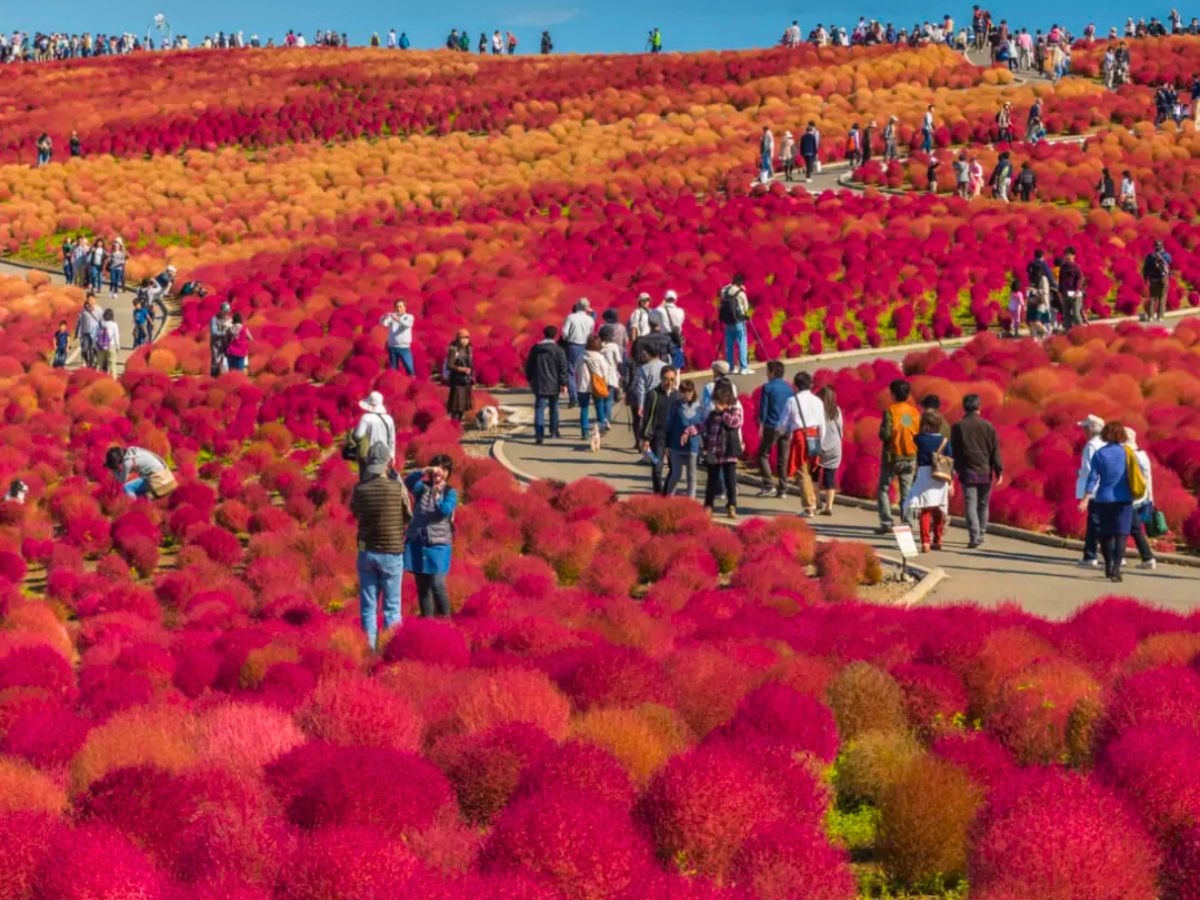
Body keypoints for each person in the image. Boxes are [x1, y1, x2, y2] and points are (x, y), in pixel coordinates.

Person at [350, 442, 413, 650]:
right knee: (392, 607)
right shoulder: (396, 488)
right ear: (389, 463)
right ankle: (390, 648)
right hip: (391, 552)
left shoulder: (360, 489)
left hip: (367, 552)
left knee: (368, 607)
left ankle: (370, 649)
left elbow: (355, 512)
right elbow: (408, 515)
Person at [1081, 420, 1136, 582]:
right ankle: (1116, 570)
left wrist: (1086, 496)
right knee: (1121, 535)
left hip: (1104, 498)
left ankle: (1108, 565)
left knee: (1106, 534)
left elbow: (1092, 477)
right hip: (1124, 498)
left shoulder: (1099, 454)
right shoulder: (1127, 453)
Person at [405, 454, 458, 617]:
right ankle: (428, 622)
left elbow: (444, 511)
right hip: (418, 544)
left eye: (443, 469)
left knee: (437, 584)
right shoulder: (422, 487)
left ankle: (445, 618)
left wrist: (436, 497)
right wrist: (424, 470)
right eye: (436, 468)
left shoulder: (450, 492)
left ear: (448, 472)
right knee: (423, 588)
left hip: (439, 545)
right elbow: (408, 482)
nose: (439, 472)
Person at [950, 393, 1002, 548]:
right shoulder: (988, 426)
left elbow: (955, 451)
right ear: (979, 407)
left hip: (967, 471)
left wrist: (955, 469)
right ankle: (982, 533)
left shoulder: (958, 426)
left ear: (964, 407)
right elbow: (995, 451)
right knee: (983, 504)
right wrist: (998, 471)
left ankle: (974, 536)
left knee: (971, 504)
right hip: (985, 471)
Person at [689, 380, 743, 519]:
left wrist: (724, 412)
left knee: (730, 481)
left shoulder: (733, 411)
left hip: (729, 453)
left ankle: (732, 505)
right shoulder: (713, 414)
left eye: (719, 402)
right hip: (714, 452)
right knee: (711, 481)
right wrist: (692, 430)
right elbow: (704, 426)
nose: (716, 405)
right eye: (715, 402)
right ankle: (708, 505)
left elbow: (734, 423)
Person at [903, 410, 953, 552]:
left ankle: (925, 541)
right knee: (938, 508)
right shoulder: (944, 440)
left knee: (924, 508)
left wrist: (907, 419)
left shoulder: (919, 439)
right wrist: (951, 482)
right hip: (940, 476)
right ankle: (938, 539)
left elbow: (909, 431)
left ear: (924, 424)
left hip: (924, 475)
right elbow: (950, 460)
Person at [876, 378, 920, 533]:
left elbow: (886, 434)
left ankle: (887, 522)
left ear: (893, 394)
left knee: (883, 489)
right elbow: (912, 429)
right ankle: (907, 523)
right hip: (910, 455)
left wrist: (881, 432)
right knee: (907, 490)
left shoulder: (891, 411)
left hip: (892, 456)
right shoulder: (914, 412)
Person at [781, 370, 826, 517]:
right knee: (811, 471)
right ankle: (814, 502)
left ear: (796, 386)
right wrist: (821, 441)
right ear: (810, 384)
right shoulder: (817, 401)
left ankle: (809, 507)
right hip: (815, 436)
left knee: (802, 471)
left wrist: (783, 433)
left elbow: (783, 423)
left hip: (800, 437)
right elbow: (822, 424)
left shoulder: (792, 401)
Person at [755, 361, 793, 498]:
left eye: (767, 371)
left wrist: (761, 424)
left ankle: (768, 484)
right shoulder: (789, 389)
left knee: (763, 454)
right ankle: (783, 489)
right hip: (786, 427)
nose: (766, 374)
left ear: (772, 373)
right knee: (783, 459)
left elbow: (763, 409)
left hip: (772, 425)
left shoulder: (768, 387)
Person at [525, 325, 568, 444]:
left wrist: (530, 379)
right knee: (554, 408)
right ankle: (554, 431)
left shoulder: (536, 349)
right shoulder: (558, 350)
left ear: (544, 334)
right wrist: (564, 383)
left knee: (539, 409)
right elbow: (563, 367)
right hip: (554, 384)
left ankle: (539, 435)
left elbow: (529, 366)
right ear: (555, 335)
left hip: (539, 384)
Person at [640, 366, 678, 494]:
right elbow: (647, 417)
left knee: (674, 468)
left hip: (673, 438)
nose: (669, 383)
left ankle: (665, 492)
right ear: (661, 379)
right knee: (657, 467)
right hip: (658, 437)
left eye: (672, 379)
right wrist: (646, 438)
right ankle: (658, 493)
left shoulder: (677, 396)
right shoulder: (653, 394)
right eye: (666, 379)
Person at [1075, 414, 1106, 568]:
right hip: (1106, 489)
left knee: (1094, 524)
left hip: (1093, 490)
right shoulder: (1107, 443)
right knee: (1101, 523)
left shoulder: (1091, 446)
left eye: (1085, 428)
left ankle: (1091, 556)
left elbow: (1089, 471)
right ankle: (1096, 555)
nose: (1083, 431)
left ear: (1091, 430)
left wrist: (1085, 497)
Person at [1125, 428, 1158, 571]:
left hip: (1131, 498)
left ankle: (1147, 557)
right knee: (1132, 528)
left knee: (1129, 527)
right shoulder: (1142, 454)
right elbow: (1148, 478)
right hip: (1142, 497)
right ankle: (1147, 558)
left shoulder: (1129, 455)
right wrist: (1151, 498)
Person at [664, 379, 703, 499]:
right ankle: (668, 499)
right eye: (683, 392)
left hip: (693, 447)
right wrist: (667, 445)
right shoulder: (676, 406)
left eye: (688, 392)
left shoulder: (700, 407)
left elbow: (703, 425)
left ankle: (690, 502)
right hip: (676, 446)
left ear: (693, 392)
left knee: (692, 476)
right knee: (676, 475)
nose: (686, 395)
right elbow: (669, 425)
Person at [577, 334, 618, 443]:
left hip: (583, 386)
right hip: (597, 386)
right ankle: (601, 425)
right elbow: (605, 371)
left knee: (584, 409)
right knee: (599, 407)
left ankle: (584, 432)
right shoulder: (600, 357)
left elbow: (576, 369)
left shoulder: (581, 355)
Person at [353, 390, 397, 480]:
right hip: (385, 455)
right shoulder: (389, 419)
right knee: (383, 480)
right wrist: (392, 456)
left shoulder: (366, 418)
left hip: (369, 455)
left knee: (367, 481)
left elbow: (358, 435)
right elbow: (392, 440)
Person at [104, 445, 173, 499]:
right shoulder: (132, 450)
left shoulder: (127, 463)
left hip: (158, 480)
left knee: (127, 488)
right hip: (167, 475)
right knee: (141, 486)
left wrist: (114, 471)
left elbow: (122, 480)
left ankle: (134, 507)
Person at [562, 298, 595, 407]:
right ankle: (585, 396)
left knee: (571, 372)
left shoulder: (571, 317)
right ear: (587, 308)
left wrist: (567, 339)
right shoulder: (590, 319)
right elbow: (591, 334)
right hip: (585, 346)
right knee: (585, 372)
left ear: (576, 306)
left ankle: (573, 398)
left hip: (572, 345)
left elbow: (564, 332)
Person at [815, 385, 843, 515]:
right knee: (829, 478)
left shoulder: (817, 411)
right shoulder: (836, 411)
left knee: (813, 476)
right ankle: (829, 507)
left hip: (819, 447)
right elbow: (840, 430)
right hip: (835, 448)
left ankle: (817, 502)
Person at [719, 274, 752, 374]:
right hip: (738, 321)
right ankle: (743, 367)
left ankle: (730, 367)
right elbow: (746, 308)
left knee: (729, 346)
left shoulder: (724, 291)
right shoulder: (741, 293)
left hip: (727, 322)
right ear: (740, 283)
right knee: (742, 344)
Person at [445, 330, 474, 421]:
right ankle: (454, 424)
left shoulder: (469, 349)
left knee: (462, 406)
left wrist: (472, 375)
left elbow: (471, 364)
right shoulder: (454, 350)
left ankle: (458, 423)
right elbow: (449, 365)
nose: (465, 340)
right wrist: (462, 369)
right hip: (457, 381)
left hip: (466, 381)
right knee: (456, 406)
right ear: (458, 339)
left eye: (467, 338)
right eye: (462, 338)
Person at [380, 300, 415, 374]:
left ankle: (412, 380)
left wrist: (397, 319)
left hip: (404, 347)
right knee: (393, 370)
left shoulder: (409, 317)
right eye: (397, 307)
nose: (399, 309)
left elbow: (407, 325)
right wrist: (384, 317)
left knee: (410, 368)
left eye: (401, 307)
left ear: (405, 307)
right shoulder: (392, 317)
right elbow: (383, 323)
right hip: (392, 347)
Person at [1142, 239, 1172, 322]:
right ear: (1162, 246)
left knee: (1152, 298)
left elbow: (1145, 268)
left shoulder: (1149, 257)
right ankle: (1160, 317)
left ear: (1154, 247)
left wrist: (1145, 278)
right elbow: (1170, 262)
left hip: (1153, 279)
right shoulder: (1166, 255)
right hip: (1163, 279)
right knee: (1162, 298)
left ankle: (1150, 317)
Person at [1058, 246, 1085, 330]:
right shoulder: (1063, 267)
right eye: (1065, 255)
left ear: (1073, 255)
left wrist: (1077, 290)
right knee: (1066, 314)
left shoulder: (1076, 267)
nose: (1066, 256)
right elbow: (1061, 279)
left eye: (1068, 255)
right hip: (1065, 293)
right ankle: (1068, 331)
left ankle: (1082, 331)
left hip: (1075, 294)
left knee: (1076, 313)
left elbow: (1079, 279)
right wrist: (1060, 292)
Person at [209, 302, 232, 376]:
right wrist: (225, 333)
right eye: (225, 312)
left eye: (228, 312)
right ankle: (213, 377)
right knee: (215, 361)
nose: (226, 314)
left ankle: (224, 378)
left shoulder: (230, 319)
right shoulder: (214, 319)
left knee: (226, 362)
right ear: (221, 311)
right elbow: (214, 332)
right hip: (216, 344)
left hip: (226, 344)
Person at [95, 308, 119, 375]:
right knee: (112, 364)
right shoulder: (114, 324)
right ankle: (113, 379)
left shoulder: (100, 324)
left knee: (99, 363)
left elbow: (96, 335)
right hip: (111, 345)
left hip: (101, 346)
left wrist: (96, 345)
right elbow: (116, 336)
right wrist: (117, 346)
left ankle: (96, 378)